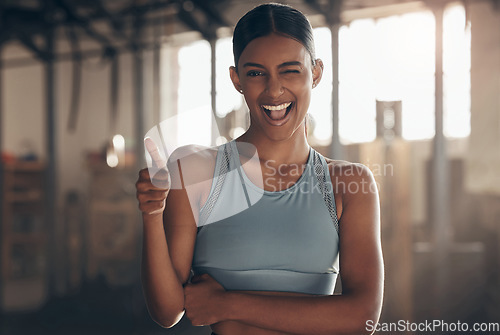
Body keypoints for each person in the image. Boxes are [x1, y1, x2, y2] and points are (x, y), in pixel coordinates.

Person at [136, 3, 384, 334]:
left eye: (290, 70)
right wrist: (152, 215)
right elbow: (167, 312)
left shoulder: (348, 185)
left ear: (316, 73)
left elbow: (363, 317)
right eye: (255, 73)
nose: (274, 89)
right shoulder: (195, 171)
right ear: (236, 79)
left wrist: (228, 304)